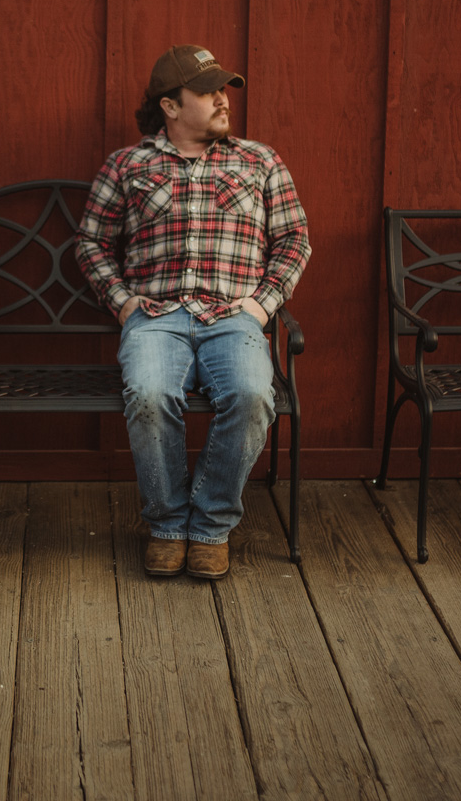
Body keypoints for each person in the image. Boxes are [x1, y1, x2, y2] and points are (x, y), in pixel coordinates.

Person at [75, 44, 310, 579]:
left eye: (224, 90)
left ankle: (209, 526)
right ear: (171, 106)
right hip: (155, 317)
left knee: (253, 397)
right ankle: (166, 523)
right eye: (207, 92)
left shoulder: (260, 161)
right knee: (151, 395)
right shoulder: (128, 165)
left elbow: (294, 239)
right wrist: (122, 301)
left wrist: (260, 305)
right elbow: (91, 243)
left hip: (234, 316)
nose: (223, 100)